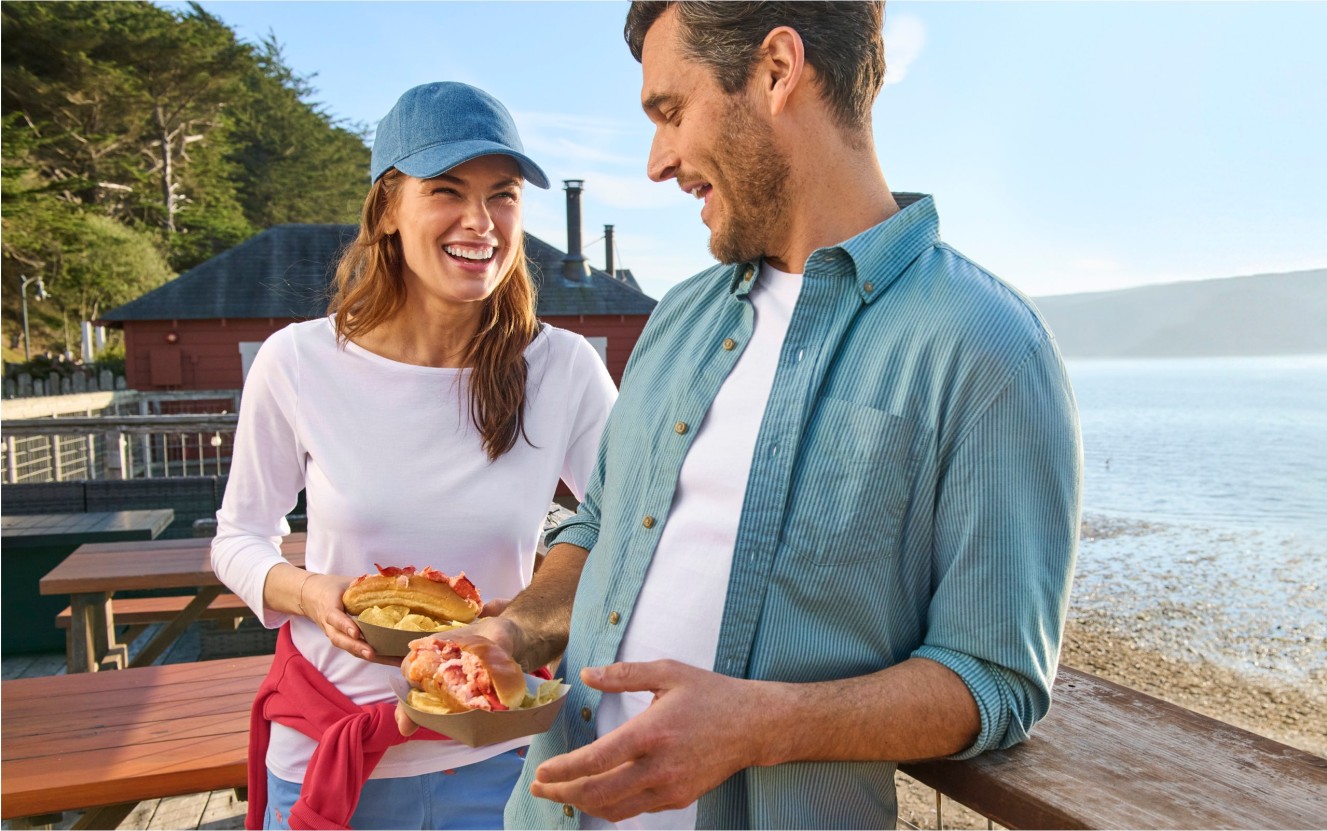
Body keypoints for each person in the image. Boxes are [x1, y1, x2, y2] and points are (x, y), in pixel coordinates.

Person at [458, 3, 1080, 828]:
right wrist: (514, 634)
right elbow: (597, 527)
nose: (657, 160)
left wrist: (758, 727)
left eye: (671, 111)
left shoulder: (988, 347)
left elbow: (995, 677)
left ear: (778, 70)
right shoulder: (678, 317)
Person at [211, 81, 617, 830]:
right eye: (447, 190)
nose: (480, 220)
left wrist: (535, 619)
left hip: (493, 754)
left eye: (502, 195)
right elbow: (237, 536)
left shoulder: (562, 369)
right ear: (388, 211)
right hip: (328, 750)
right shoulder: (296, 361)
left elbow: (628, 525)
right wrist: (308, 593)